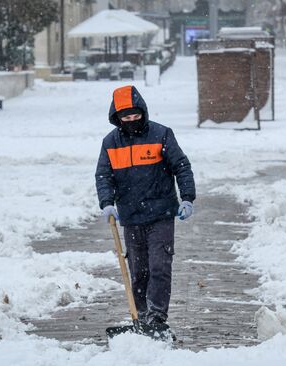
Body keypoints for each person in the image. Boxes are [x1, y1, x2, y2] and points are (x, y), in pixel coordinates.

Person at [95, 85, 196, 328]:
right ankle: (140, 317)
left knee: (159, 267)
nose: (131, 120)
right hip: (130, 216)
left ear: (143, 112)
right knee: (139, 271)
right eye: (125, 117)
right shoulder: (110, 143)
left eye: (135, 115)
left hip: (161, 213)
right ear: (117, 118)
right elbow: (103, 175)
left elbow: (181, 166)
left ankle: (157, 317)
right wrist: (107, 203)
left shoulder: (161, 134)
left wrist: (187, 198)